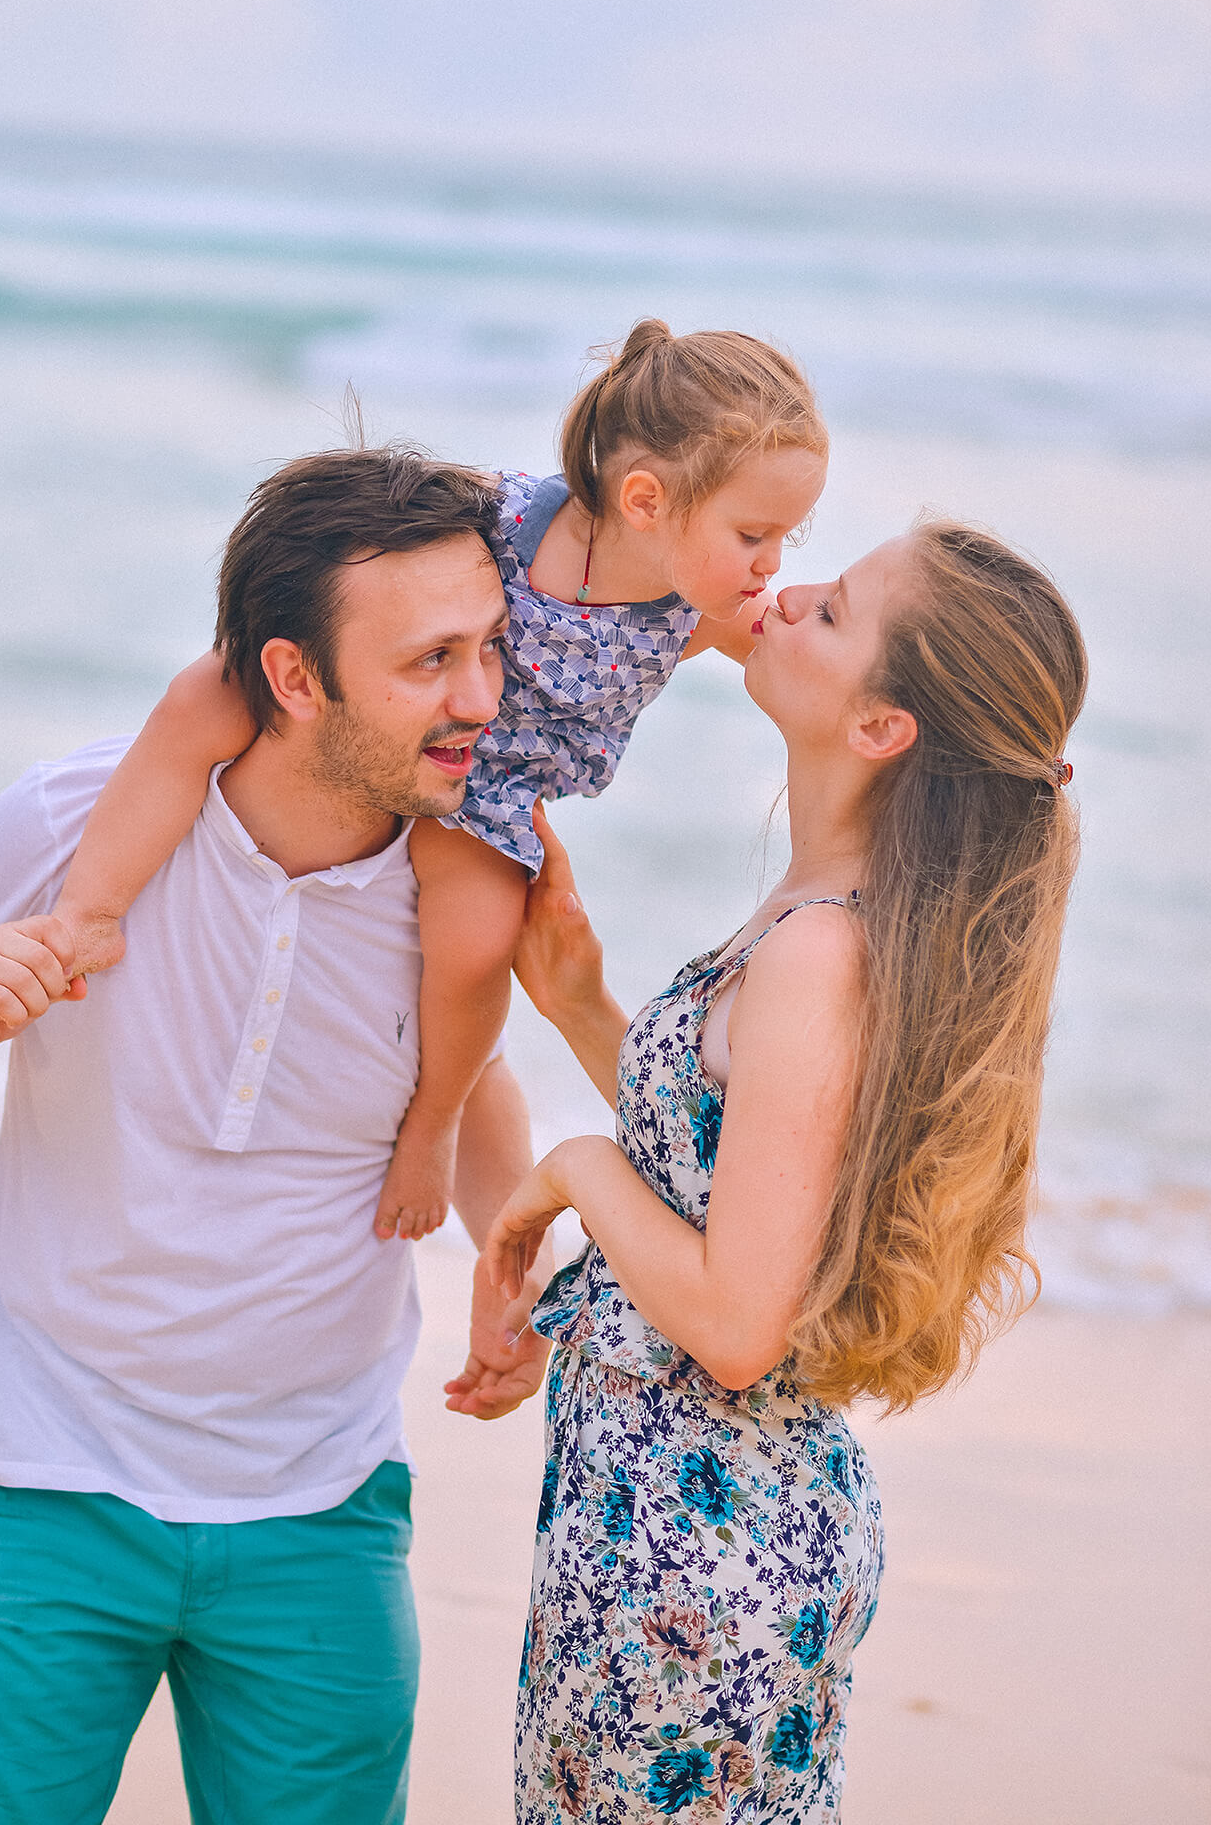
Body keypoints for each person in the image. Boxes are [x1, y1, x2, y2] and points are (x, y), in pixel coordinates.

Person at [0, 447, 553, 1825]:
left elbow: (467, 1069)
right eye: (430, 661)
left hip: (323, 1508)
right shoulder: (76, 823)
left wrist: (513, 1262)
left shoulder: (462, 881)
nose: (479, 702)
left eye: (490, 649)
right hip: (44, 1480)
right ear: (294, 678)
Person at [482, 520, 1087, 1822]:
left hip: (701, 1558)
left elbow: (736, 1324)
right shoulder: (829, 915)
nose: (787, 593)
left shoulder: (820, 951)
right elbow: (739, 1180)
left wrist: (575, 1167)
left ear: (881, 728)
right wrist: (587, 1009)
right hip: (701, 1534)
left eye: (833, 611)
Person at [49, 320, 829, 1246]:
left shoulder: (696, 608)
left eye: (787, 536)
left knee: (474, 948)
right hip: (392, 719)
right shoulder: (500, 517)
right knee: (206, 692)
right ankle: (89, 910)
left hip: (487, 798)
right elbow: (379, 560)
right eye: (754, 533)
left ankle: (432, 1126)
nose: (771, 564)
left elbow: (796, 655)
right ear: (646, 500)